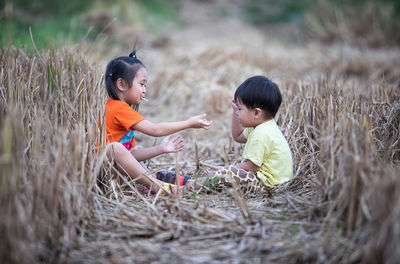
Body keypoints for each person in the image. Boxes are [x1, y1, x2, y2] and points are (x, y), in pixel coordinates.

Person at [102, 50, 212, 194]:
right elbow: (155, 130)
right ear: (122, 84)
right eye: (141, 84)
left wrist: (159, 149)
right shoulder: (117, 108)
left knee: (125, 153)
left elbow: (130, 155)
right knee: (114, 148)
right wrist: (188, 123)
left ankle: (159, 182)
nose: (144, 90)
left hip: (115, 172)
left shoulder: (121, 108)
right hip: (103, 175)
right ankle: (160, 186)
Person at [197, 76, 292, 193]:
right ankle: (192, 182)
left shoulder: (262, 133)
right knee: (226, 174)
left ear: (257, 113)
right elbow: (238, 136)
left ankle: (189, 187)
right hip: (265, 182)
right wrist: (235, 110)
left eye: (240, 109)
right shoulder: (262, 126)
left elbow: (252, 167)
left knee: (227, 174)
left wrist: (226, 170)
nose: (237, 113)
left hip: (266, 186)